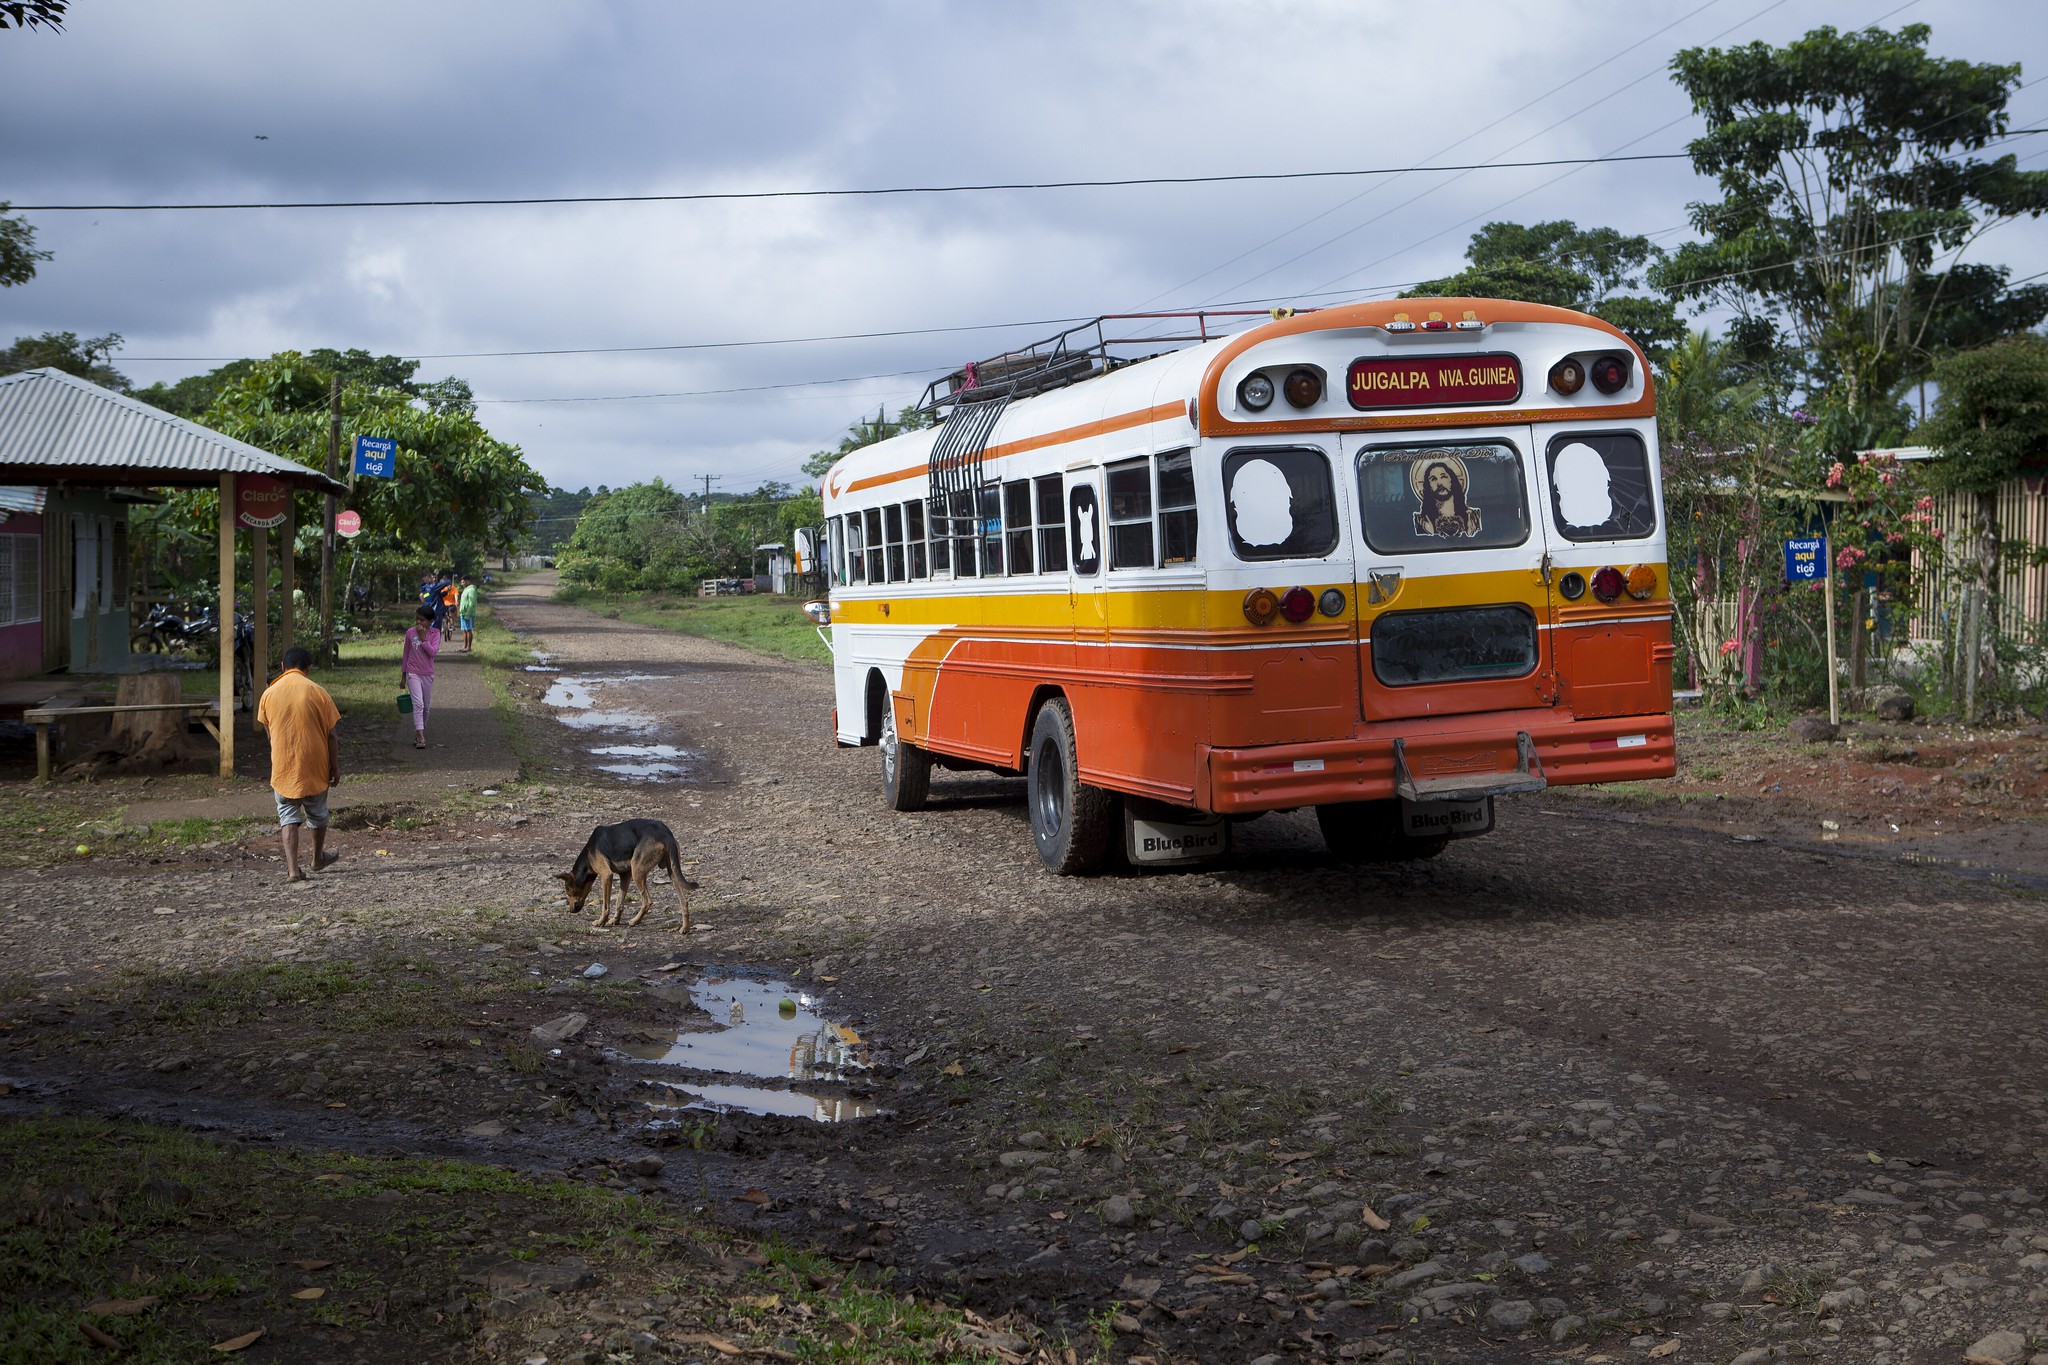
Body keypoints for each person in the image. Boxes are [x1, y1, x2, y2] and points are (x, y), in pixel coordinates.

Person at [254, 644, 341, 883]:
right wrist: (334, 767)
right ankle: (316, 858)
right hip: (315, 766)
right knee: (318, 813)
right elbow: (332, 735)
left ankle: (293, 869)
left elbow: (270, 733)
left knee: (287, 815)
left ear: (283, 667)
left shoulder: (268, 694)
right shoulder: (318, 692)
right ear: (308, 669)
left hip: (283, 767)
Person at [1411, 457, 1483, 539]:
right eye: (1433, 479)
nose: (1439, 483)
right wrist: (1428, 533)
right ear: (1428, 486)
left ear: (1452, 480)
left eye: (1443, 477)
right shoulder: (1422, 521)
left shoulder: (1473, 517)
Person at [401, 604, 441, 750]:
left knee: (426, 708)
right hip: (413, 673)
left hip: (427, 674)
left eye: (422, 620)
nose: (419, 623)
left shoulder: (435, 634)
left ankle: (419, 732)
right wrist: (403, 676)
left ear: (430, 621)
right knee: (418, 704)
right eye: (417, 619)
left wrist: (424, 638)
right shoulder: (410, 633)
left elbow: (433, 653)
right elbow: (405, 654)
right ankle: (421, 736)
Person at [457, 575, 478, 653]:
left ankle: (469, 647)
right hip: (463, 613)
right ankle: (464, 646)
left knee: (468, 630)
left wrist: (468, 613)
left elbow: (471, 603)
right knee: (464, 630)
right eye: (461, 581)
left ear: (468, 581)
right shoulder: (465, 589)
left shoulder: (471, 590)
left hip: (468, 613)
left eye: (463, 581)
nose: (462, 583)